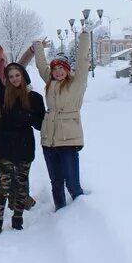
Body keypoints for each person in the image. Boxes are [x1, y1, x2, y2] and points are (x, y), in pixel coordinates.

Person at [0, 31, 46, 236]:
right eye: (11, 76)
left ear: (23, 77)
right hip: (4, 144)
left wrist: (28, 116)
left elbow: (40, 124)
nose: (14, 79)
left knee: (21, 183)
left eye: (17, 75)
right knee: (4, 185)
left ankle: (17, 218)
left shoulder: (34, 98)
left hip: (24, 145)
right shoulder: (3, 94)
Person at [31, 30, 90, 211]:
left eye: (61, 68)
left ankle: (82, 215)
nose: (57, 72)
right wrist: (38, 46)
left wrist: (84, 38)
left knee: (72, 182)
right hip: (49, 140)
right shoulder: (50, 82)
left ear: (67, 69)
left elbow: (82, 62)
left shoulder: (77, 83)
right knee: (56, 182)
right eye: (55, 69)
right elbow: (41, 66)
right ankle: (60, 212)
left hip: (69, 140)